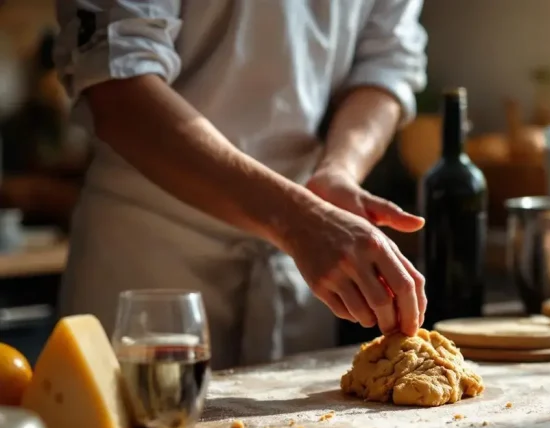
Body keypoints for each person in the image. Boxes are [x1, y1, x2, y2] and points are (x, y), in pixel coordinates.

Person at [53, 0, 429, 369]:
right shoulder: (303, 223)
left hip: (299, 256)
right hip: (151, 254)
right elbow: (119, 90)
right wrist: (298, 219)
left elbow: (385, 68)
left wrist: (339, 171)